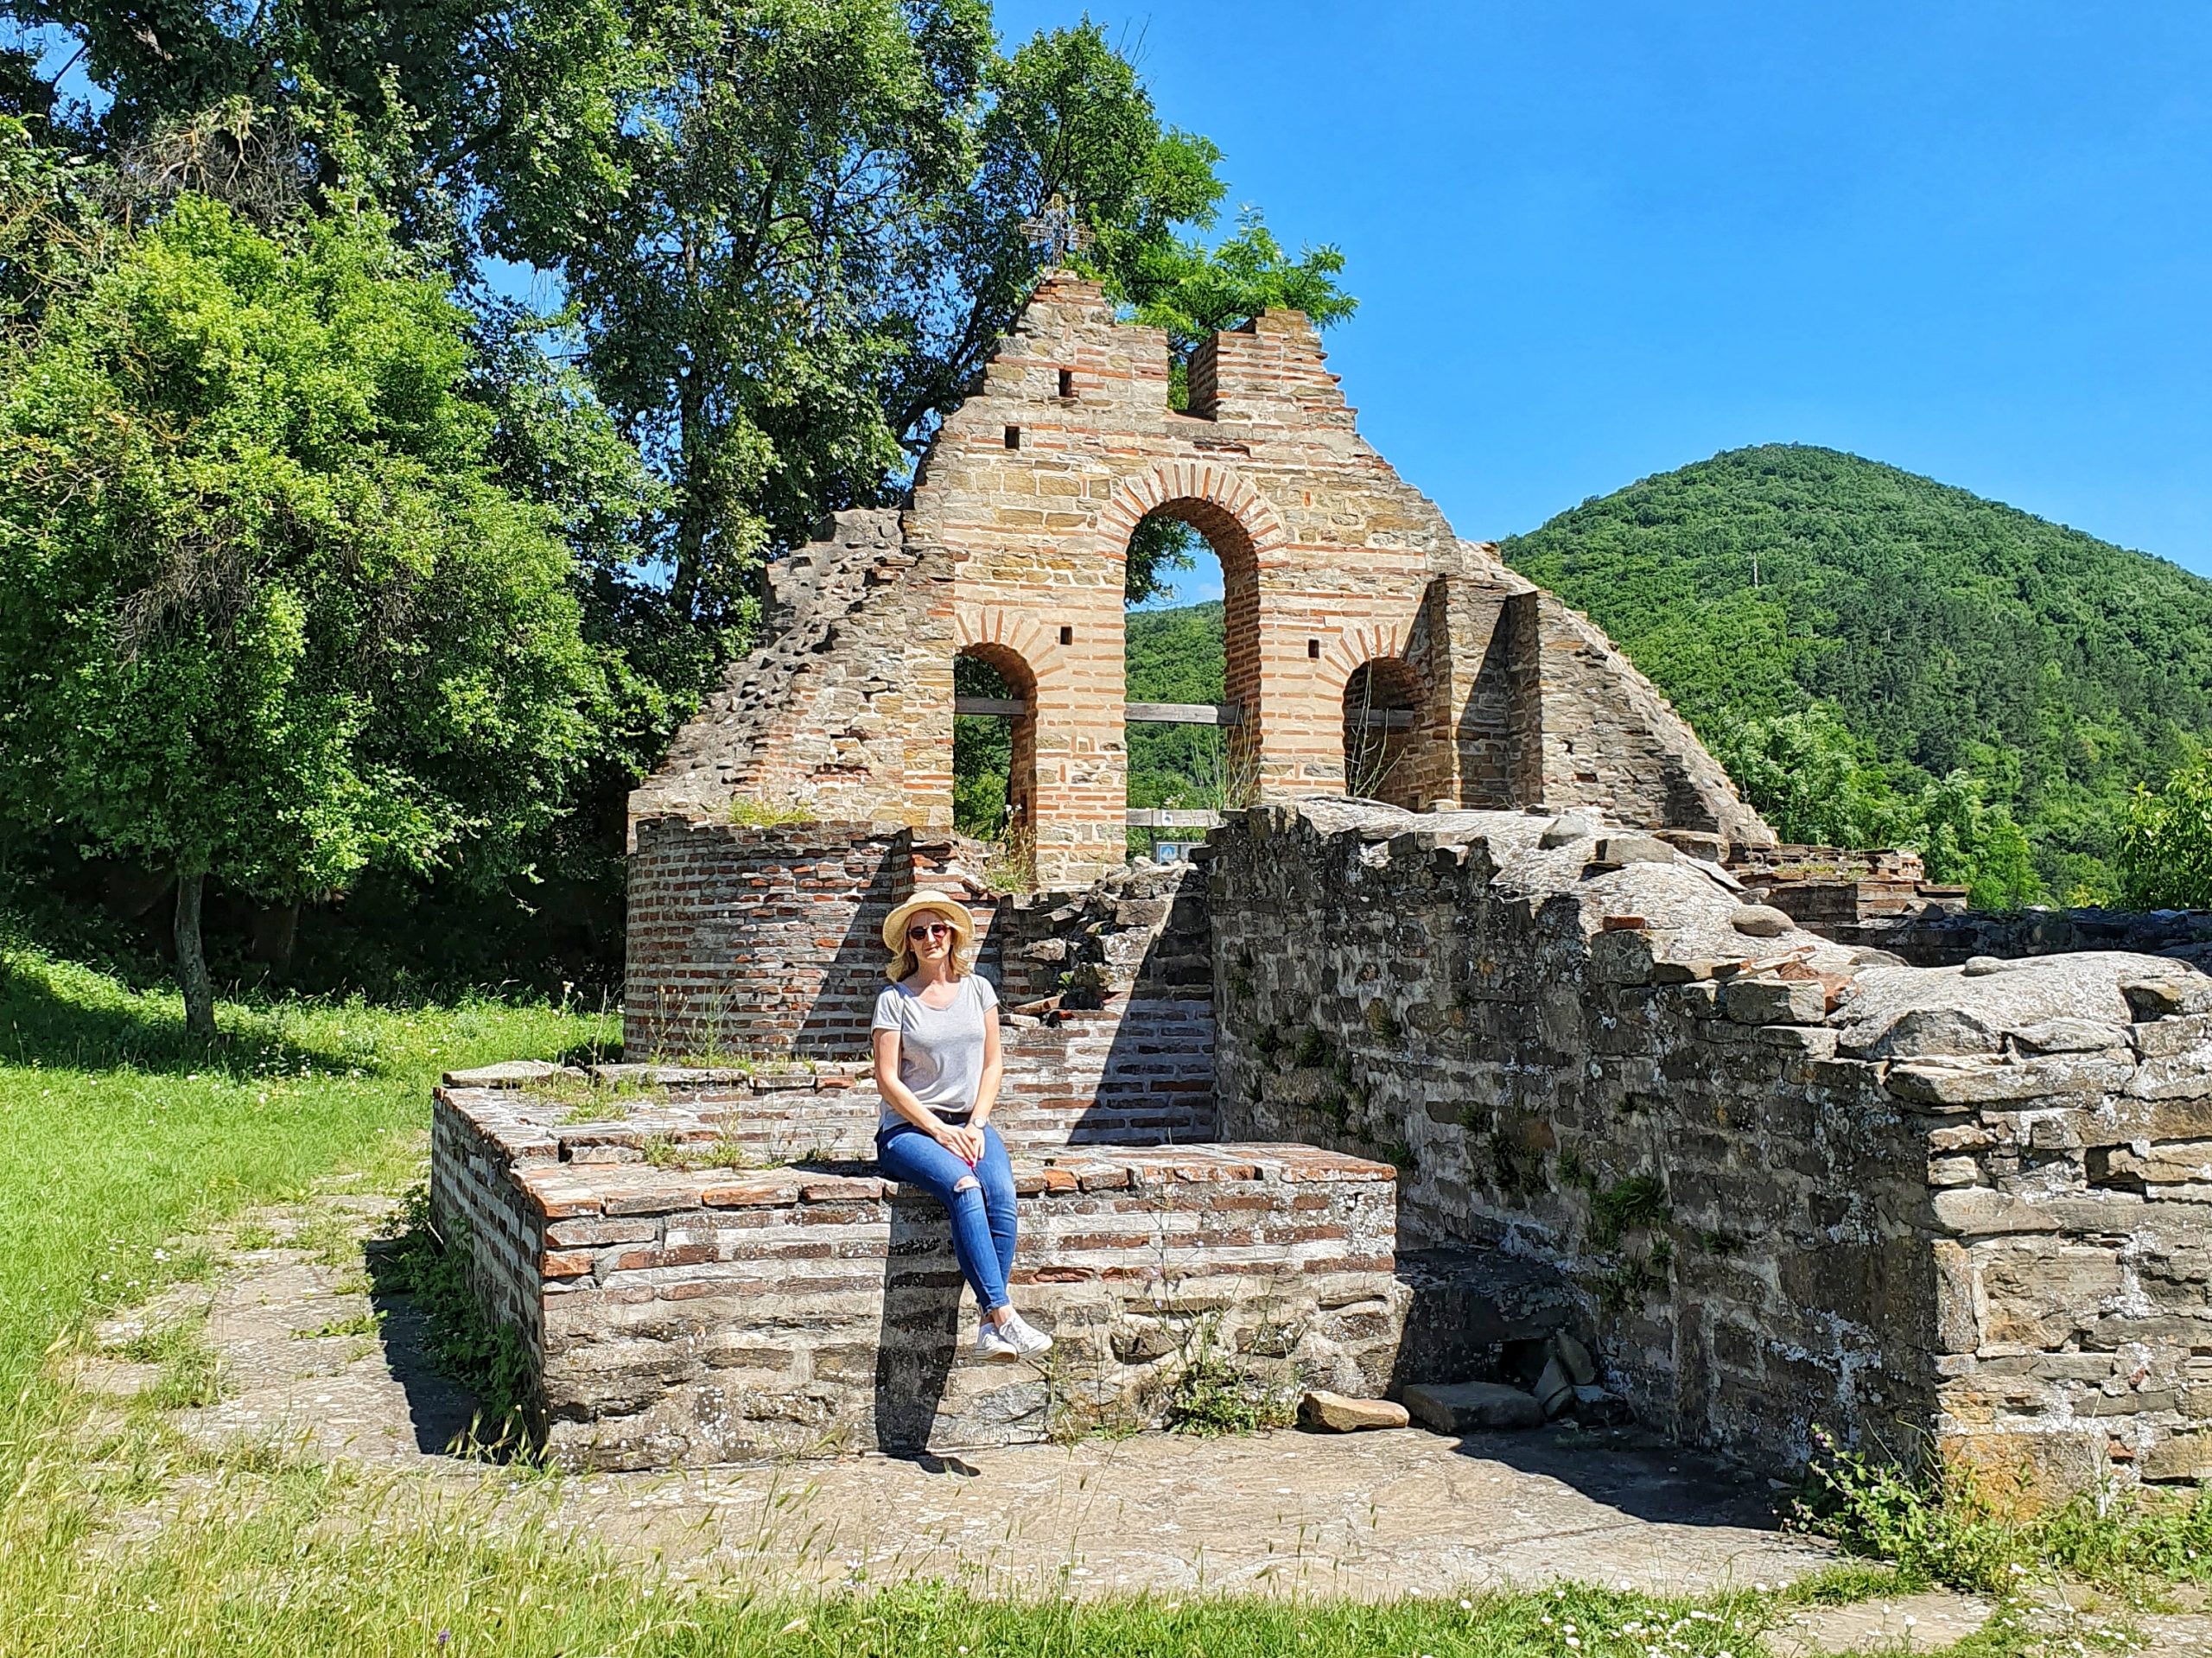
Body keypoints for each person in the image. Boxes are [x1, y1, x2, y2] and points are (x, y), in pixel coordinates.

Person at [871, 893, 1053, 1361]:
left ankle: (988, 1330)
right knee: (966, 1187)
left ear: (952, 934)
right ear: (907, 945)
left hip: (971, 1123)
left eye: (938, 929)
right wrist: (938, 1130)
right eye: (919, 932)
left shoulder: (978, 990)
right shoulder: (894, 1000)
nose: (930, 938)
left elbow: (994, 1065)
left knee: (1003, 1193)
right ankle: (1002, 1314)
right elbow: (888, 1080)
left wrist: (977, 1123)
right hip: (909, 1131)